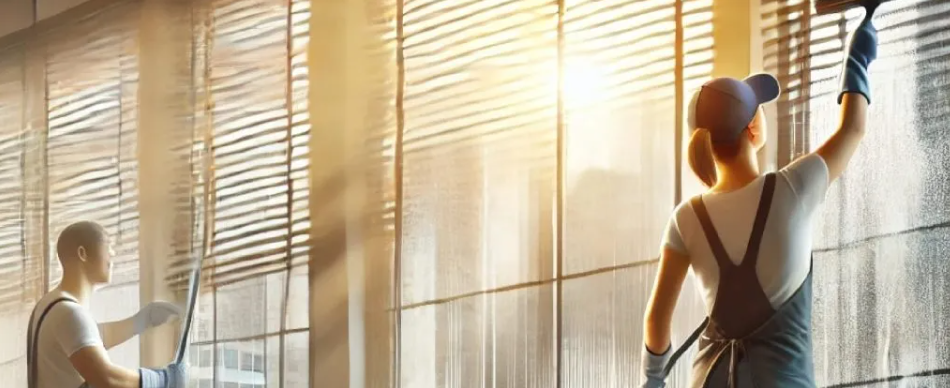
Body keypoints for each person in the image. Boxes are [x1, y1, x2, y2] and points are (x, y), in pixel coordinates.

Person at [639, 3, 879, 388]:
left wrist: (652, 380)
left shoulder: (686, 218)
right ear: (753, 127)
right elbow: (852, 129)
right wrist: (858, 55)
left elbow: (656, 320)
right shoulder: (793, 189)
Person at [27, 221, 188, 388]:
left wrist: (143, 320)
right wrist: (164, 380)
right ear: (83, 253)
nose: (113, 253)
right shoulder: (69, 313)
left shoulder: (49, 303)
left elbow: (91, 337)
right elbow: (107, 379)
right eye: (108, 245)